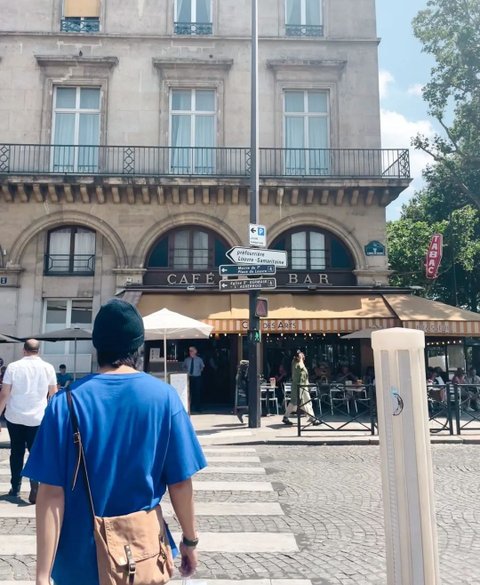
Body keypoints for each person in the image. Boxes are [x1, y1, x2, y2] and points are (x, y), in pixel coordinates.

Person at [23, 298, 206, 585]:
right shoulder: (165, 398)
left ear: (97, 346)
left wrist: (42, 575)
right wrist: (190, 541)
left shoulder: (64, 403)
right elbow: (180, 483)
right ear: (138, 346)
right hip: (142, 556)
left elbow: (50, 494)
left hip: (80, 564)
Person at [0, 339, 57, 503]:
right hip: (38, 418)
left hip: (15, 416)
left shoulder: (13, 367)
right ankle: (35, 484)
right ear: (38, 351)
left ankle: (15, 487)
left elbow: (4, 394)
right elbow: (53, 394)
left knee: (16, 452)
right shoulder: (48, 367)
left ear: (23, 350)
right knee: (36, 452)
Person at [282, 351, 319, 426]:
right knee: (305, 402)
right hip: (300, 387)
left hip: (301, 386)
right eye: (302, 355)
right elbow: (301, 374)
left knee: (294, 403)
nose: (303, 356)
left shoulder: (297, 363)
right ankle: (313, 419)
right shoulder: (297, 364)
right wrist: (301, 359)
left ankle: (286, 417)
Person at [183, 346, 205, 413]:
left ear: (195, 351)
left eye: (192, 351)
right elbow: (183, 367)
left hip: (197, 377)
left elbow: (202, 367)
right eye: (190, 351)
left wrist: (199, 371)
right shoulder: (186, 360)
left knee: (197, 392)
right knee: (189, 392)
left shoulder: (199, 359)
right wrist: (186, 372)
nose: (190, 352)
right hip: (189, 377)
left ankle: (197, 407)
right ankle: (189, 407)